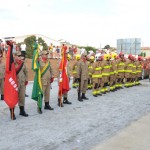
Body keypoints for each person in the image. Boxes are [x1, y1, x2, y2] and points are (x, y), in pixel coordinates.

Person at [14, 51, 29, 117]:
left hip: (22, 83)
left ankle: (22, 111)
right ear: (15, 56)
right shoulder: (12, 64)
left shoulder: (23, 64)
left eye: (20, 56)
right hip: (14, 84)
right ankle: (12, 112)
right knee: (13, 98)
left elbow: (26, 72)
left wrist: (26, 79)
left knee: (22, 97)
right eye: (18, 56)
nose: (19, 57)